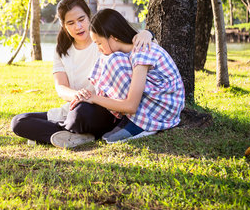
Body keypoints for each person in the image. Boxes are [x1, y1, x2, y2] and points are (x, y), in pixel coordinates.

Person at [10, 0, 154, 148]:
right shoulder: (61, 50)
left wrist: (147, 33)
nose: (78, 27)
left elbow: (137, 43)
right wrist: (78, 95)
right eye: (71, 23)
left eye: (81, 19)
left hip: (105, 109)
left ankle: (51, 134)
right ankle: (74, 136)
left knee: (79, 116)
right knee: (18, 122)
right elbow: (61, 87)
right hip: (75, 106)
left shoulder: (104, 38)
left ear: (89, 17)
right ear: (64, 26)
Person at [71, 8, 185, 143]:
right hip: (153, 99)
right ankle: (129, 119)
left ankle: (143, 125)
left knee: (113, 61)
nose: (98, 48)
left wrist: (93, 98)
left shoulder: (140, 52)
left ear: (113, 37)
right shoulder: (131, 50)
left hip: (164, 109)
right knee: (106, 59)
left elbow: (131, 106)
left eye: (99, 43)